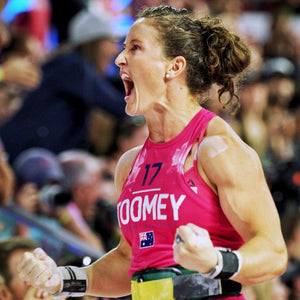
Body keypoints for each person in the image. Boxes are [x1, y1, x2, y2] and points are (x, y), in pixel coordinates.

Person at [17, 5, 287, 300]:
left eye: (135, 48)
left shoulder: (216, 149)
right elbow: (128, 260)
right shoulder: (130, 164)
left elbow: (272, 253)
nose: (119, 59)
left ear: (174, 67)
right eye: (122, 48)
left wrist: (217, 262)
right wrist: (65, 279)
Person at [0, 8, 126, 164]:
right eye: (110, 41)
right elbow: (121, 107)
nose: (115, 49)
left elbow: (111, 83)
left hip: (27, 154)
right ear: (95, 43)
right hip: (26, 157)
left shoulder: (67, 66)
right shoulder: (72, 67)